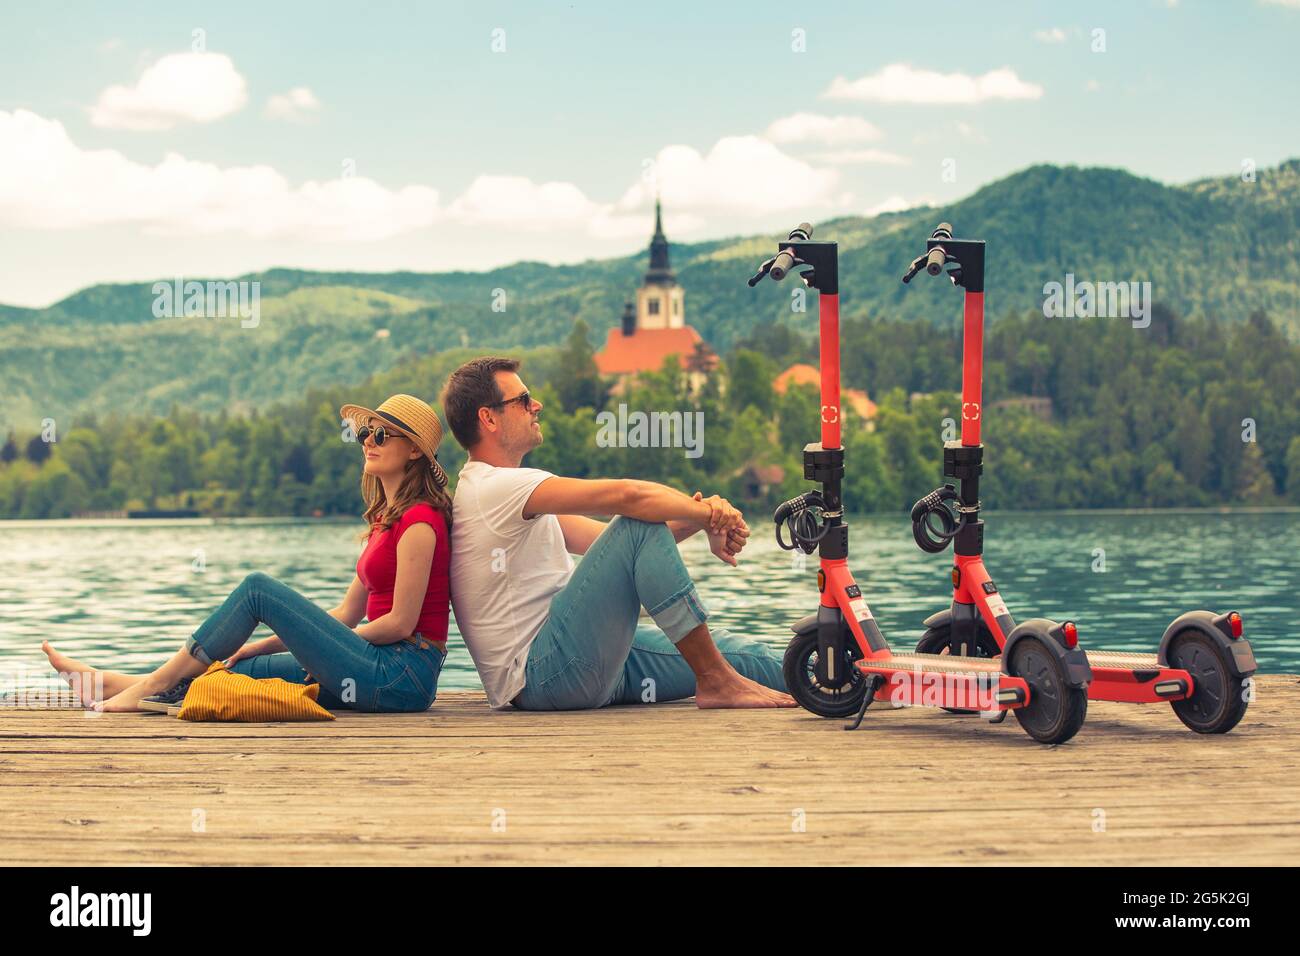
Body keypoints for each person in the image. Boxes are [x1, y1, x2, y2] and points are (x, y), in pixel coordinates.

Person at [42, 394, 452, 714]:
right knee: (238, 669)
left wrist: (323, 647)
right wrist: (265, 646)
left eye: (381, 435)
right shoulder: (385, 519)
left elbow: (400, 624)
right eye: (366, 433)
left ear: (414, 451)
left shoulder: (419, 521)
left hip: (401, 676)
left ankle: (148, 688)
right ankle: (112, 684)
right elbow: (346, 613)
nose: (368, 442)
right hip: (370, 663)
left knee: (258, 589)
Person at [440, 356, 794, 712]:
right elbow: (628, 500)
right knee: (637, 519)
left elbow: (621, 549)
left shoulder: (506, 498)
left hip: (588, 660)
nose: (537, 405)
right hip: (546, 674)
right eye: (523, 399)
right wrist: (705, 511)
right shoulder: (494, 487)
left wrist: (703, 523)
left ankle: (840, 673)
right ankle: (715, 679)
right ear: (488, 418)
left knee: (742, 655)